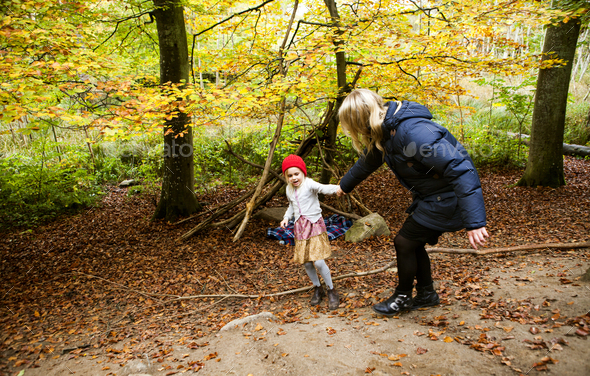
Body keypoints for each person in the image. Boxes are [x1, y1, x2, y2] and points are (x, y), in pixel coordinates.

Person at [336, 88, 489, 317]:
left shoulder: (413, 132)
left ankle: (403, 296)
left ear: (362, 120)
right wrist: (344, 185)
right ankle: (426, 294)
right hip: (433, 196)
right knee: (412, 243)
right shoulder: (387, 131)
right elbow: (369, 160)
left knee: (404, 242)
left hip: (447, 198)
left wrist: (475, 221)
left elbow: (459, 168)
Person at [280, 154, 341, 310]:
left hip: (314, 225)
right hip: (300, 228)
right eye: (290, 175)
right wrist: (286, 217)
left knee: (319, 261)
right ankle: (317, 288)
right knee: (307, 262)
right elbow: (291, 206)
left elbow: (323, 188)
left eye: (296, 174)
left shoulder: (308, 184)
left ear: (303, 173)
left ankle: (331, 289)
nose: (294, 178)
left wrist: (338, 188)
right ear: (286, 177)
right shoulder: (289, 189)